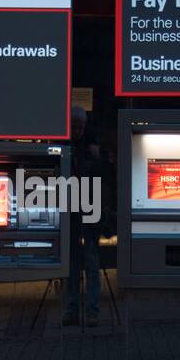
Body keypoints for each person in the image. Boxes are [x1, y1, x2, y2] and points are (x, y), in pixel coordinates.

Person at [63, 106, 102, 328]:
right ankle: (88, 310)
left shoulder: (71, 148)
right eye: (75, 126)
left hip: (83, 209)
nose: (77, 130)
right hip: (86, 208)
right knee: (87, 261)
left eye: (79, 126)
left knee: (80, 261)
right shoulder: (91, 148)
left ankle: (77, 309)